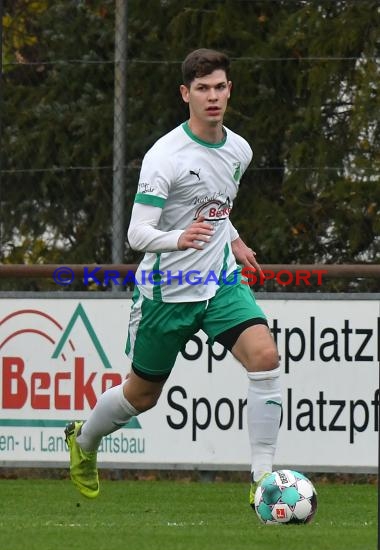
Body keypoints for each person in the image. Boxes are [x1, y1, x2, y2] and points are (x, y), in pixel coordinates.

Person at [65, 48, 282, 508]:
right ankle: (84, 441)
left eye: (220, 87)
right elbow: (137, 233)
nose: (212, 97)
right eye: (202, 88)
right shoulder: (165, 156)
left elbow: (216, 206)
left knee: (264, 357)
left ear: (229, 90)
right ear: (186, 94)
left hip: (220, 283)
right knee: (142, 396)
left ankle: (262, 480)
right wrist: (178, 239)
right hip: (167, 293)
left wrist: (236, 241)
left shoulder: (238, 149)